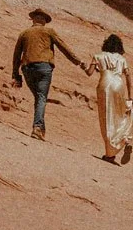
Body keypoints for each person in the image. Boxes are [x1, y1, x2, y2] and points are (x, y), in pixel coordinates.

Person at [11, 8, 87, 140]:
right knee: (41, 97)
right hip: (44, 67)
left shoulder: (24, 33)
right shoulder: (49, 31)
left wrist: (15, 75)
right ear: (44, 21)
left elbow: (17, 55)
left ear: (33, 19)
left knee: (39, 98)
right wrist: (78, 61)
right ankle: (38, 127)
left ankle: (41, 130)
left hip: (27, 68)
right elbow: (63, 47)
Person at [94, 33, 133, 164]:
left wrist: (85, 66)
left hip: (104, 84)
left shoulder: (98, 56)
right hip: (118, 85)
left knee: (106, 118)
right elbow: (128, 76)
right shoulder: (121, 59)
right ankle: (126, 139)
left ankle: (109, 155)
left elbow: (90, 72)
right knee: (121, 114)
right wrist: (130, 95)